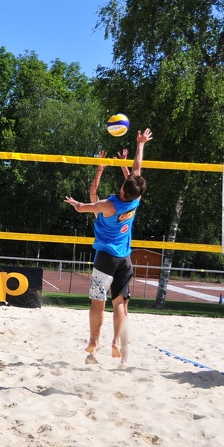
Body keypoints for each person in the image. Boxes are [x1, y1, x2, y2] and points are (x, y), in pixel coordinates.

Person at [64, 129, 152, 365]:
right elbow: (136, 170)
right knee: (120, 304)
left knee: (97, 301)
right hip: (125, 259)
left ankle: (94, 341)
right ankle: (115, 342)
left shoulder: (107, 206)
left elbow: (84, 206)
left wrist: (75, 204)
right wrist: (140, 145)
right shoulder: (136, 201)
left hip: (105, 257)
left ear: (123, 189)